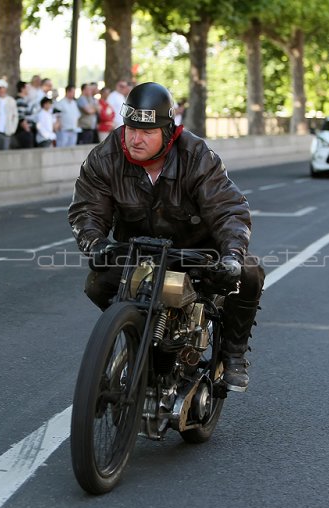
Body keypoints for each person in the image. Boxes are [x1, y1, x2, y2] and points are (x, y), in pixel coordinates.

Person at [68, 82, 265, 391]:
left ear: (167, 130)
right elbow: (86, 210)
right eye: (131, 128)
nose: (135, 138)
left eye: (146, 132)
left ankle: (233, 354)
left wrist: (231, 255)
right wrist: (95, 244)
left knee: (249, 271)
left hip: (197, 252)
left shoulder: (196, 155)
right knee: (97, 283)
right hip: (139, 254)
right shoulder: (105, 157)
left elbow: (229, 208)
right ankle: (137, 332)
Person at [0, 78, 18, 150]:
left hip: (6, 131)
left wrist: (12, 129)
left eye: (2, 88)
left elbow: (15, 116)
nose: (0, 90)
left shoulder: (11, 101)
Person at [14, 81, 34, 149]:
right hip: (23, 132)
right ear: (22, 89)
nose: (29, 90)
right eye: (27, 87)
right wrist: (27, 130)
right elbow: (21, 117)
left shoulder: (23, 100)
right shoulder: (20, 101)